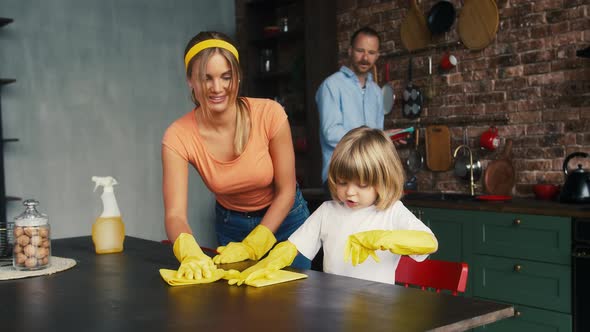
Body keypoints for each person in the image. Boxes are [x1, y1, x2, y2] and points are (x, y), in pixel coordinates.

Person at [161, 31, 311, 281]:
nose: (217, 88)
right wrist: (189, 253)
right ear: (190, 81)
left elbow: (286, 191)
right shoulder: (177, 136)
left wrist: (257, 242)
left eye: (225, 77)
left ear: (237, 77)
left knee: (296, 308)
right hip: (233, 227)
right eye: (206, 78)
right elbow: (175, 215)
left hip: (287, 222)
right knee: (241, 313)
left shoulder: (270, 114)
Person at [227, 126, 438, 286]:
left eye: (362, 185)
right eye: (342, 182)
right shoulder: (328, 211)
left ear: (383, 180)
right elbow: (293, 246)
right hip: (334, 307)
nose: (349, 192)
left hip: (379, 311)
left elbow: (429, 243)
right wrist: (269, 262)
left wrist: (384, 239)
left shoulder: (391, 212)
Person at [316, 26, 404, 188]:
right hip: (340, 175)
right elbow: (331, 134)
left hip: (370, 175)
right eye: (360, 50)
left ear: (377, 56)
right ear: (350, 51)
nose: (365, 57)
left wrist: (384, 138)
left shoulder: (376, 92)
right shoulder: (331, 85)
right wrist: (373, 138)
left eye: (371, 53)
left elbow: (375, 134)